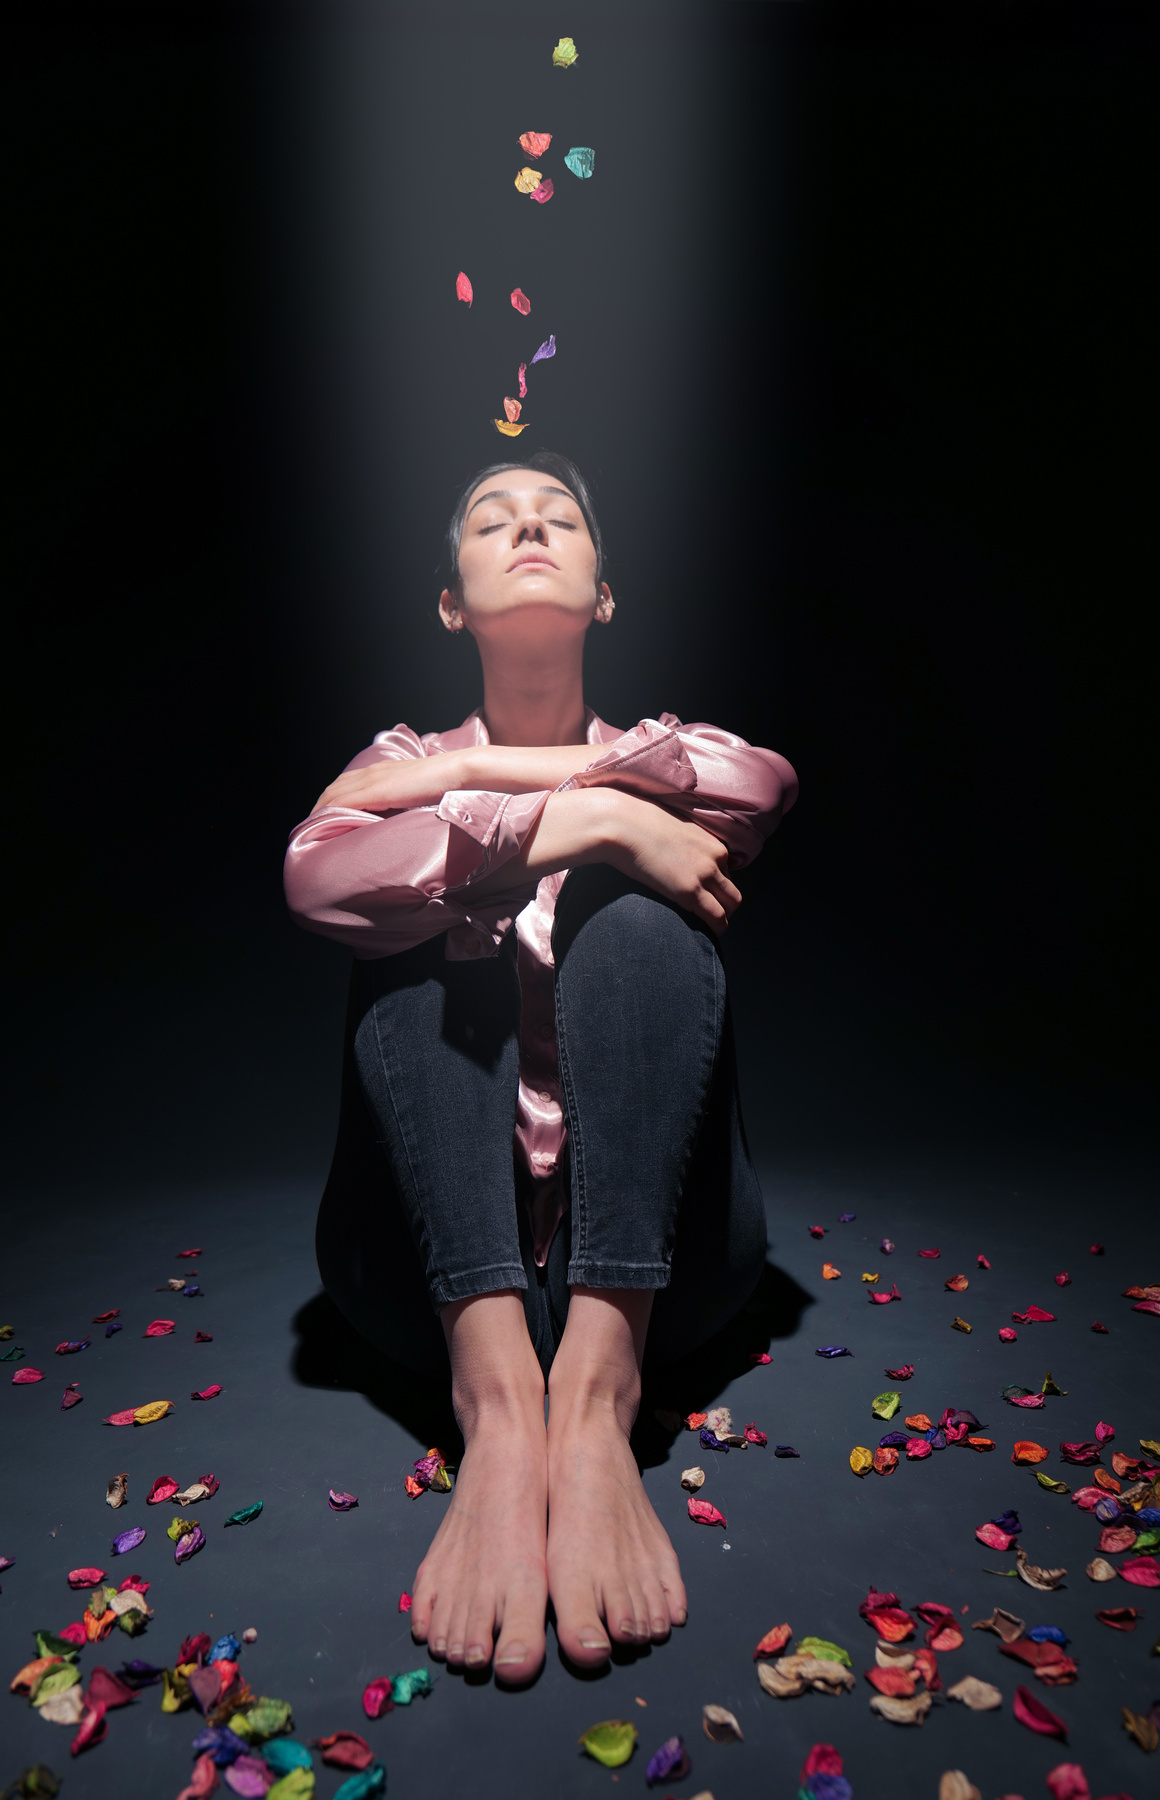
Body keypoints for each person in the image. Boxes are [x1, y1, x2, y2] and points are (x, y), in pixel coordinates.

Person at [284, 451, 797, 1686]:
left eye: (558, 515)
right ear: (452, 603)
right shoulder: (403, 749)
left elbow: (752, 781)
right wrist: (606, 811)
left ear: (603, 594)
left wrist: (466, 783)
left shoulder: (645, 750)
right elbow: (318, 876)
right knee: (429, 922)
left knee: (631, 913)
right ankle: (504, 1403)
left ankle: (597, 1388)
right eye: (493, 520)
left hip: (662, 1266)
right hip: (427, 1267)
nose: (529, 526)